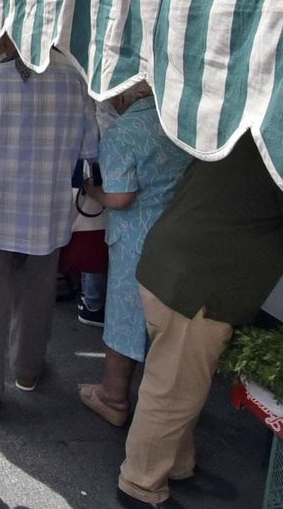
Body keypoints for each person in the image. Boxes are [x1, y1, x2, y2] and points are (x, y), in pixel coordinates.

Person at [117, 136, 283, 508]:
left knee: (181, 383)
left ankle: (177, 464)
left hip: (174, 268)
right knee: (172, 391)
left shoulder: (254, 135)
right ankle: (140, 486)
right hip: (198, 285)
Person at [0, 37, 98, 422]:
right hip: (49, 213)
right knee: (38, 295)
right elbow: (90, 149)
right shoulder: (76, 80)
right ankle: (28, 371)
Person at [75, 82, 192, 429]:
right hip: (177, 235)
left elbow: (121, 197)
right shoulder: (182, 126)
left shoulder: (123, 132)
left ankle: (113, 396)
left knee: (126, 317)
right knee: (165, 324)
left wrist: (93, 190)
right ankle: (159, 399)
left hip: (134, 239)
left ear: (125, 95)